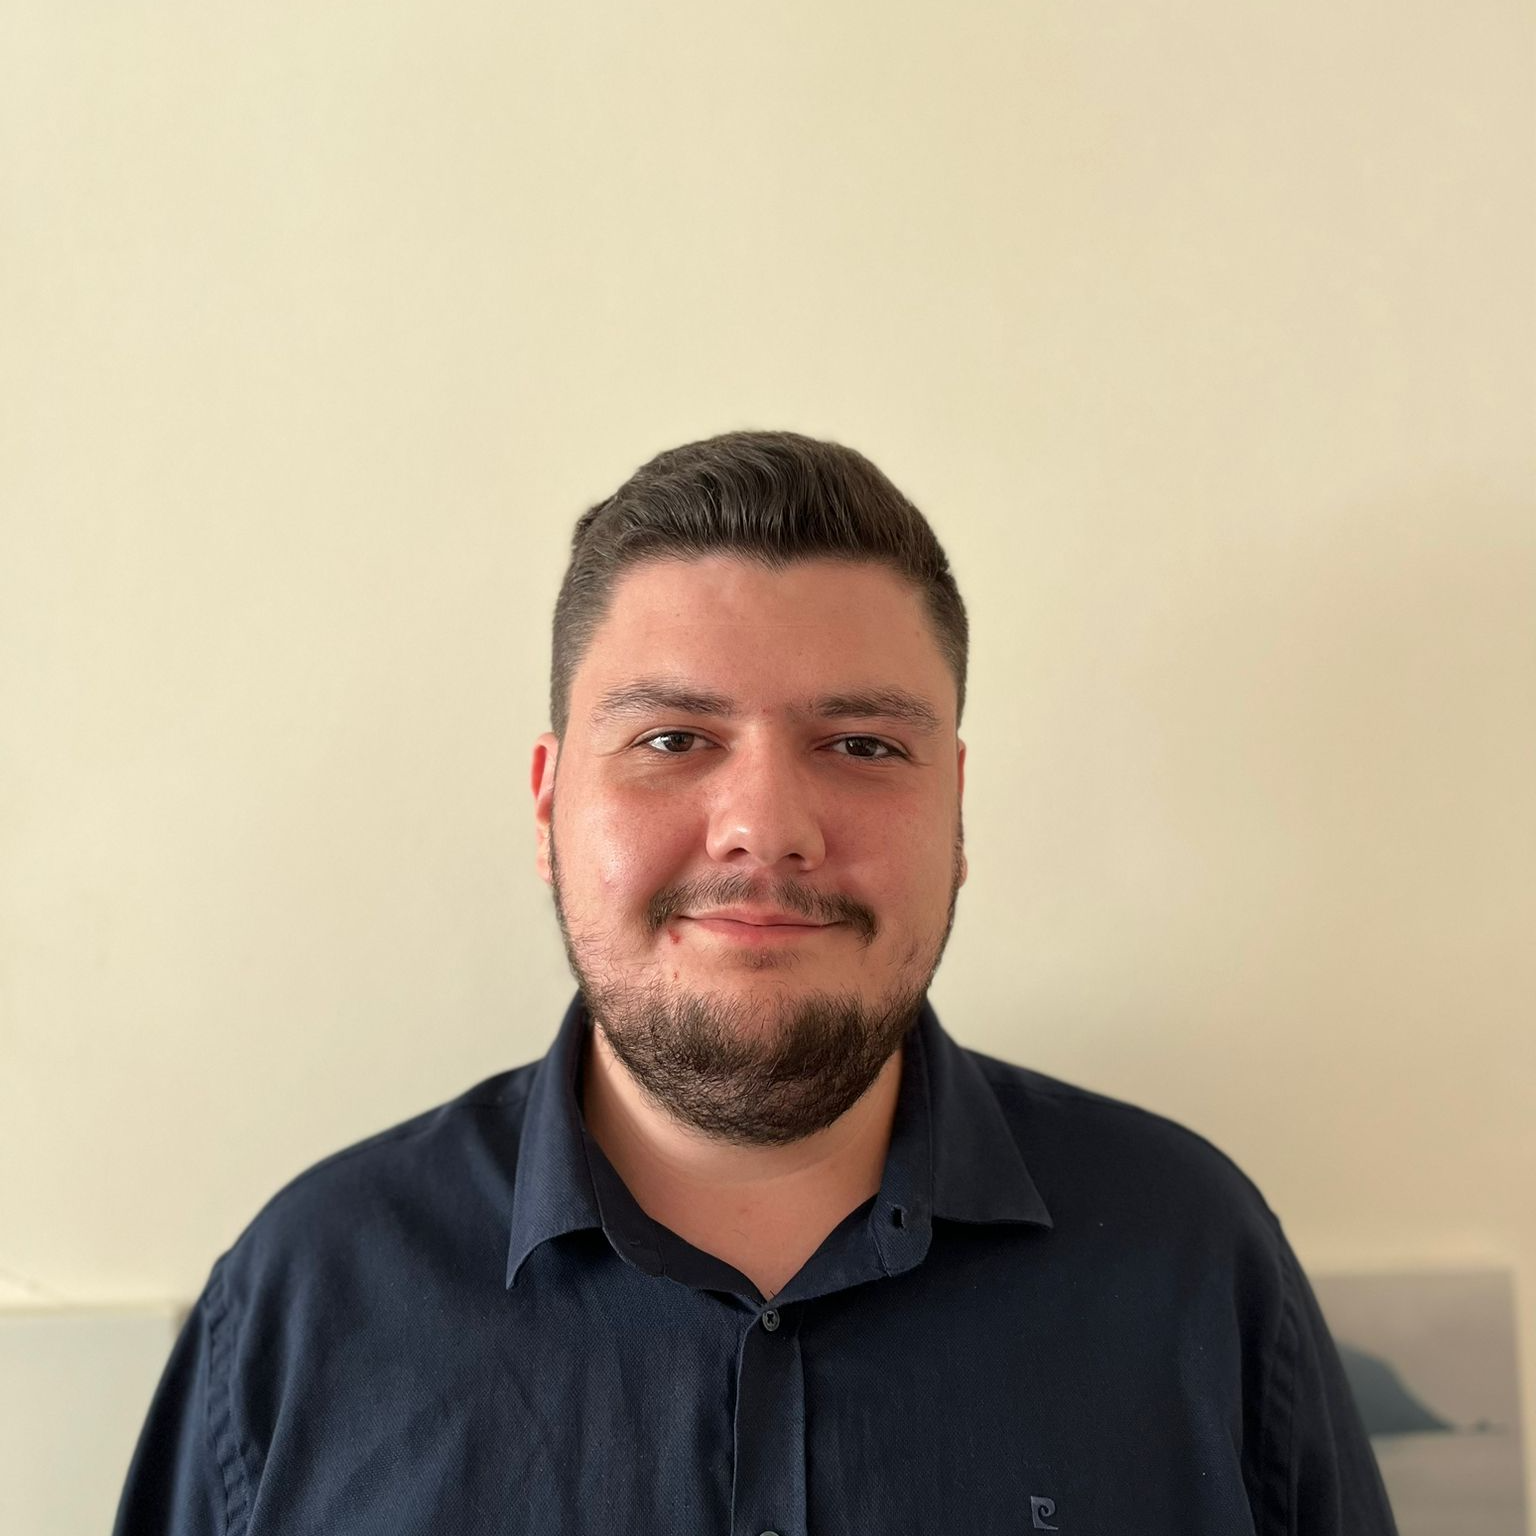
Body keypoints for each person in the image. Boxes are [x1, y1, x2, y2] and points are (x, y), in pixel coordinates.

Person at [115, 430, 1397, 1534]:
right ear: (551, 803)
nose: (765, 827)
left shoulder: (1194, 1261)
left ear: (956, 807)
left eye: (862, 744)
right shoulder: (305, 1298)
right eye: (674, 738)